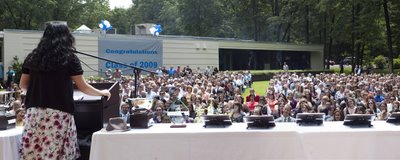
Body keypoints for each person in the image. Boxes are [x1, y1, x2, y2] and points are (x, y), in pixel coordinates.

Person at [19, 22, 111, 160]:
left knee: (34, 154)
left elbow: (23, 85)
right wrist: (102, 93)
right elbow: (83, 87)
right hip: (58, 115)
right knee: (57, 155)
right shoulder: (69, 58)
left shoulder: (33, 57)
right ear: (66, 37)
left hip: (34, 114)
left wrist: (40, 91)